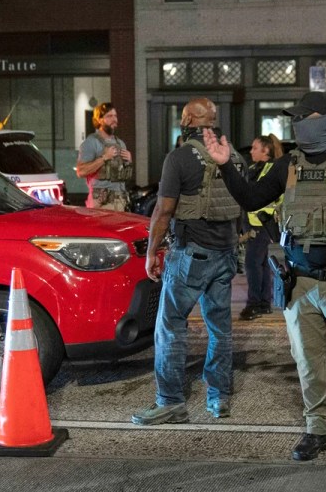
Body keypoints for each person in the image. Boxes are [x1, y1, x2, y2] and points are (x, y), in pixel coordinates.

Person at [205, 91, 326, 466]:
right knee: (308, 362)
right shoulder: (288, 165)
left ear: (325, 120)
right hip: (299, 282)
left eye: (302, 117)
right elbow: (250, 198)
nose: (296, 124)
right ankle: (317, 429)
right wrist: (226, 166)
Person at [131, 97, 246, 426]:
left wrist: (153, 252)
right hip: (225, 254)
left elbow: (163, 211)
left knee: (169, 326)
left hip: (191, 254)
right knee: (220, 328)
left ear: (191, 120)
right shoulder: (234, 157)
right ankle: (219, 395)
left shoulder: (180, 157)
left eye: (184, 116)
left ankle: (170, 402)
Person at [238, 133, 284, 320]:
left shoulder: (269, 169)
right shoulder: (256, 168)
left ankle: (255, 303)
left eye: (255, 148)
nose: (251, 151)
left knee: (252, 264)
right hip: (257, 221)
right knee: (262, 263)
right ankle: (264, 302)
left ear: (266, 150)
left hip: (261, 222)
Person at [76, 102, 133, 211]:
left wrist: (128, 161)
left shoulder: (120, 143)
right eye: (109, 116)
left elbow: (124, 176)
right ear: (99, 119)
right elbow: (81, 171)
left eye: (115, 116)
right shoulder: (91, 142)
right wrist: (104, 158)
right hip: (101, 203)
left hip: (120, 201)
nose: (114, 119)